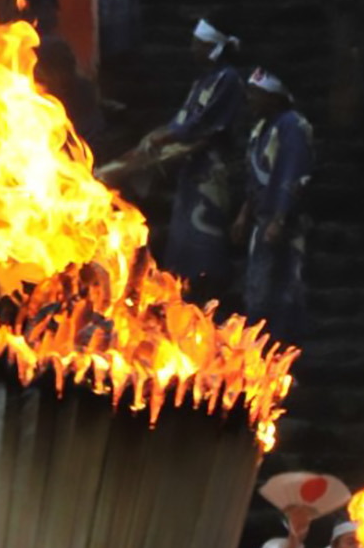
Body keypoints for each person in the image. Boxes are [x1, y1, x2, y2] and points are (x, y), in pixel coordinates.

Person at [99, 18, 246, 298]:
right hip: (191, 168)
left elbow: (204, 123)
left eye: (198, 44)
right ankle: (187, 292)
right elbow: (182, 119)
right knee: (184, 238)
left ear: (212, 47)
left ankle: (210, 293)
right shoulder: (203, 80)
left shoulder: (228, 80)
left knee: (206, 236)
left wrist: (166, 138)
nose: (192, 49)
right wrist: (156, 138)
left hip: (212, 168)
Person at [235, 67, 314, 343]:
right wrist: (245, 213)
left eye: (256, 94)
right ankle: (261, 355)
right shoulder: (262, 129)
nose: (250, 99)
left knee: (282, 290)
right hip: (262, 220)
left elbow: (293, 173)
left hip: (283, 223)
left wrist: (280, 218)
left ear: (274, 96)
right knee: (259, 288)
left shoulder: (292, 125)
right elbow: (256, 175)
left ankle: (283, 355)